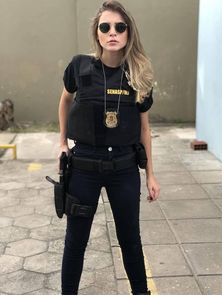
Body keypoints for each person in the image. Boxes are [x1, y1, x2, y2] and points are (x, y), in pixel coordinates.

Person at [58, 1, 160, 294]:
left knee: (130, 239)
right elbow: (65, 100)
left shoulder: (138, 75)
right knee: (75, 241)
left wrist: (151, 174)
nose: (112, 32)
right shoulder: (80, 66)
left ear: (128, 33)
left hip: (125, 169)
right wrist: (62, 142)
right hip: (84, 168)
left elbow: (144, 128)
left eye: (119, 27)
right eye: (105, 27)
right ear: (97, 33)